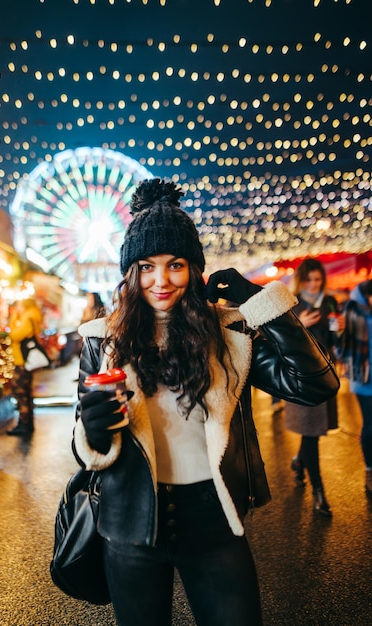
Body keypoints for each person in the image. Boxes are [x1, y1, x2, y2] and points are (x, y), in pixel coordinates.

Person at [73, 178, 339, 626]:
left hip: (215, 522)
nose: (161, 281)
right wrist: (93, 433)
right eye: (146, 266)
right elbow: (82, 445)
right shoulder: (104, 340)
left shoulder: (230, 334)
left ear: (195, 270)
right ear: (130, 273)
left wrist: (259, 302)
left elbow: (315, 384)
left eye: (175, 264)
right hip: (129, 525)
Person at [284, 258, 344, 517]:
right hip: (301, 377)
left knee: (314, 431)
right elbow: (279, 342)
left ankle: (299, 462)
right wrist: (300, 326)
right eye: (309, 280)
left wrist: (339, 331)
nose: (313, 285)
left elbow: (333, 338)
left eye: (318, 280)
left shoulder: (330, 302)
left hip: (326, 372)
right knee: (311, 431)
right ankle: (319, 492)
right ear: (301, 280)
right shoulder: (290, 303)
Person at [339, 278, 372, 495]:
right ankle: (370, 470)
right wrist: (339, 330)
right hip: (364, 378)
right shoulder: (352, 310)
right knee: (370, 424)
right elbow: (341, 346)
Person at [7, 298, 43, 436]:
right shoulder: (32, 316)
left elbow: (15, 335)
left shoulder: (28, 318)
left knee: (19, 391)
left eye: (20, 306)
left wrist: (13, 318)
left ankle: (24, 423)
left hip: (22, 361)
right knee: (26, 392)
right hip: (24, 361)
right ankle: (28, 423)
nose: (18, 308)